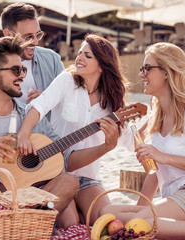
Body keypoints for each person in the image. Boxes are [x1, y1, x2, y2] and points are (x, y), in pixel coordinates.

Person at [0, 36, 120, 237]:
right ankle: (21, 223)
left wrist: (105, 147)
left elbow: (66, 159)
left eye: (23, 69)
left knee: (69, 182)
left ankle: (15, 222)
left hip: (23, 199)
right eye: (16, 70)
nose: (22, 75)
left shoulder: (30, 117)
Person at [99, 42, 185, 239]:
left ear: (167, 72)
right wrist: (141, 209)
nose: (142, 74)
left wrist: (165, 157)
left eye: (147, 68)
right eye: (142, 68)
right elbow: (155, 174)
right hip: (175, 198)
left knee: (138, 223)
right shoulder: (157, 117)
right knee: (106, 214)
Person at [17, 34, 134, 225]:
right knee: (70, 223)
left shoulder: (112, 101)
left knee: (108, 221)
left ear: (102, 65)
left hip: (88, 178)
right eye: (80, 53)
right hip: (56, 175)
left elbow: (130, 141)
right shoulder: (66, 81)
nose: (79, 58)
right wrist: (23, 134)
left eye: (87, 56)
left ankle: (83, 216)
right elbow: (38, 107)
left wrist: (144, 137)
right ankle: (79, 218)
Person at [0, 2, 64, 105]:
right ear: (8, 34)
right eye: (28, 37)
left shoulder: (52, 60)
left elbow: (68, 101)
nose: (35, 42)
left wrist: (48, 100)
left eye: (38, 35)